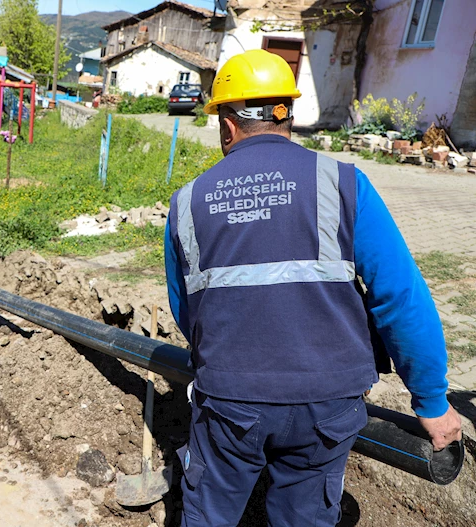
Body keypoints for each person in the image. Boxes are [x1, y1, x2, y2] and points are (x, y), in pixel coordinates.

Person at [164, 49, 462, 526]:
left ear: (226, 123)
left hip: (230, 402)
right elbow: (400, 297)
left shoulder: (187, 203)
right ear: (289, 113)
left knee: (209, 515)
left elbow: (186, 310)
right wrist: (430, 400)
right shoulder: (344, 183)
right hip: (327, 403)